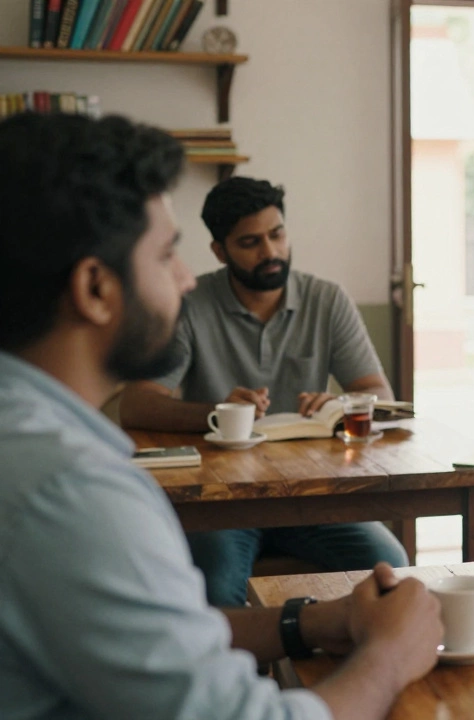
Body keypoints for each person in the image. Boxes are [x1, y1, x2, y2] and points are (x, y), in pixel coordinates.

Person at [0, 112, 443, 720]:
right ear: (95, 289)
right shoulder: (73, 491)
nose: (184, 281)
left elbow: (161, 638)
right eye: (165, 255)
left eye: (277, 234)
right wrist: (389, 659)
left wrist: (310, 622)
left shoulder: (32, 442)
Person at [118, 176, 408, 606]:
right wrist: (218, 413)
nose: (270, 252)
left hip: (314, 495)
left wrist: (339, 404)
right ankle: (237, 674)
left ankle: (358, 665)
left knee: (391, 562)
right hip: (221, 503)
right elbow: (135, 403)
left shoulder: (327, 299)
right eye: (250, 242)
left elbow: (376, 393)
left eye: (277, 235)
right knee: (216, 590)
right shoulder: (191, 306)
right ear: (220, 251)